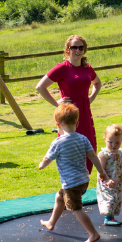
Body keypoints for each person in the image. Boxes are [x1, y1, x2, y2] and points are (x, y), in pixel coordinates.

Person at [39, 103, 112, 242]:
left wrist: (42, 165)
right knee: (59, 197)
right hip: (83, 181)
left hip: (71, 184)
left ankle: (93, 233)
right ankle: (51, 222)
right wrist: (101, 172)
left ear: (57, 124)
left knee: (76, 209)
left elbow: (47, 158)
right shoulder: (83, 139)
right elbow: (93, 156)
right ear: (77, 123)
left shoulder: (58, 143)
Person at [36, 35, 101, 173]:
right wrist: (57, 104)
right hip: (68, 114)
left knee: (89, 148)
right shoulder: (62, 68)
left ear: (84, 50)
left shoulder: (87, 68)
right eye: (74, 47)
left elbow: (97, 83)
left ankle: (83, 184)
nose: (77, 50)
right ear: (68, 49)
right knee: (69, 149)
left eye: (81, 47)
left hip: (84, 113)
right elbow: (40, 87)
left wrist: (91, 98)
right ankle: (70, 185)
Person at [96, 124, 122, 226]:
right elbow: (100, 169)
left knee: (116, 197)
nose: (113, 145)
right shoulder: (104, 154)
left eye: (117, 142)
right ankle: (107, 219)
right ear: (105, 139)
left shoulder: (119, 152)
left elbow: (120, 164)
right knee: (109, 198)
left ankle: (111, 218)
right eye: (110, 142)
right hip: (106, 181)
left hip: (116, 180)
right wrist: (107, 180)